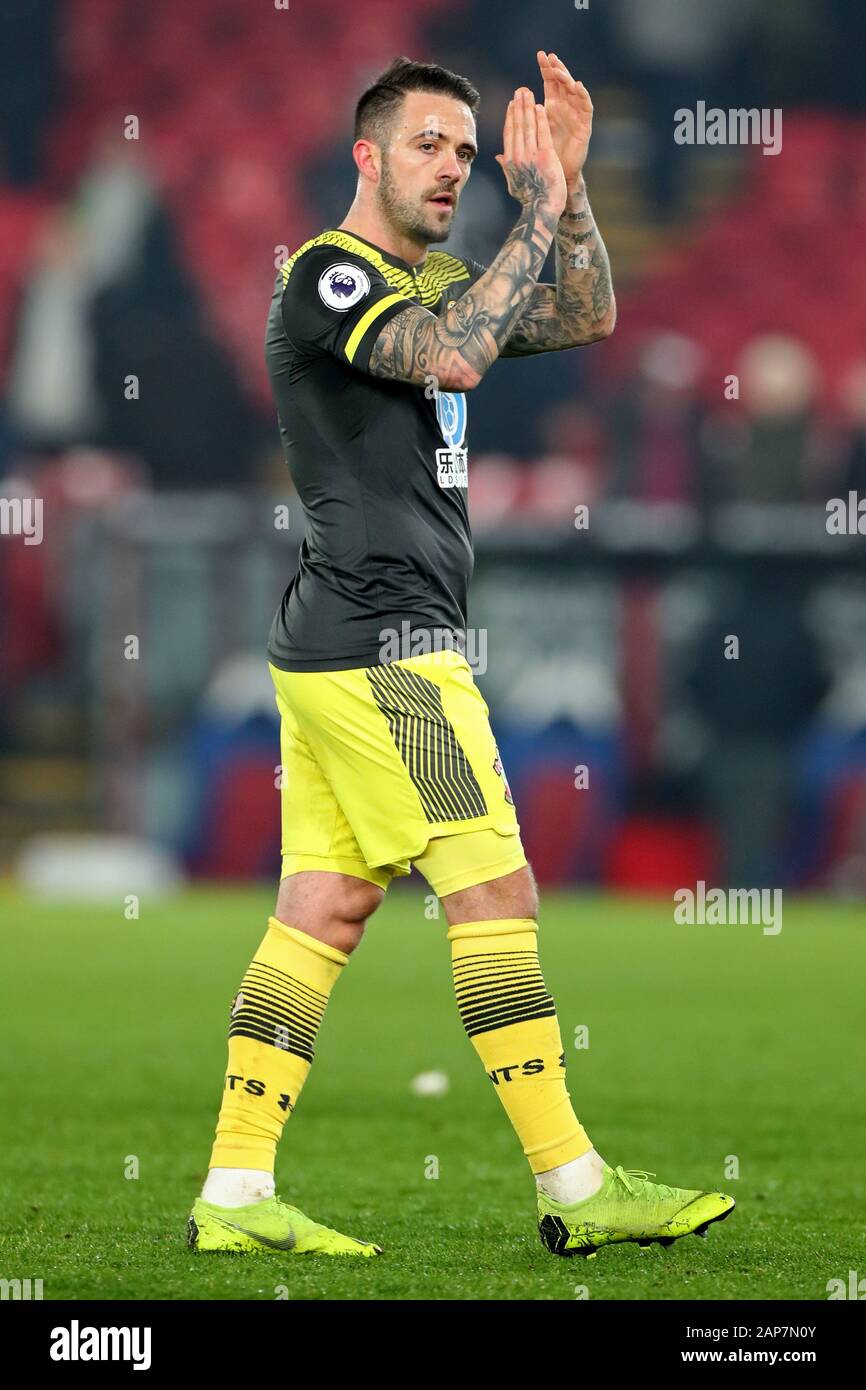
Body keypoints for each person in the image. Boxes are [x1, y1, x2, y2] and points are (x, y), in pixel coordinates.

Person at [188, 53, 734, 1260]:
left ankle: (232, 1195)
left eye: (464, 148)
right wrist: (532, 213)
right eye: (428, 144)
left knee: (322, 911)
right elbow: (455, 358)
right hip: (387, 652)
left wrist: (572, 190)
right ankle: (574, 1180)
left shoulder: (426, 281)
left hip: (346, 648)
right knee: (493, 890)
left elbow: (584, 314)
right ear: (368, 155)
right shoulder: (328, 276)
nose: (452, 167)